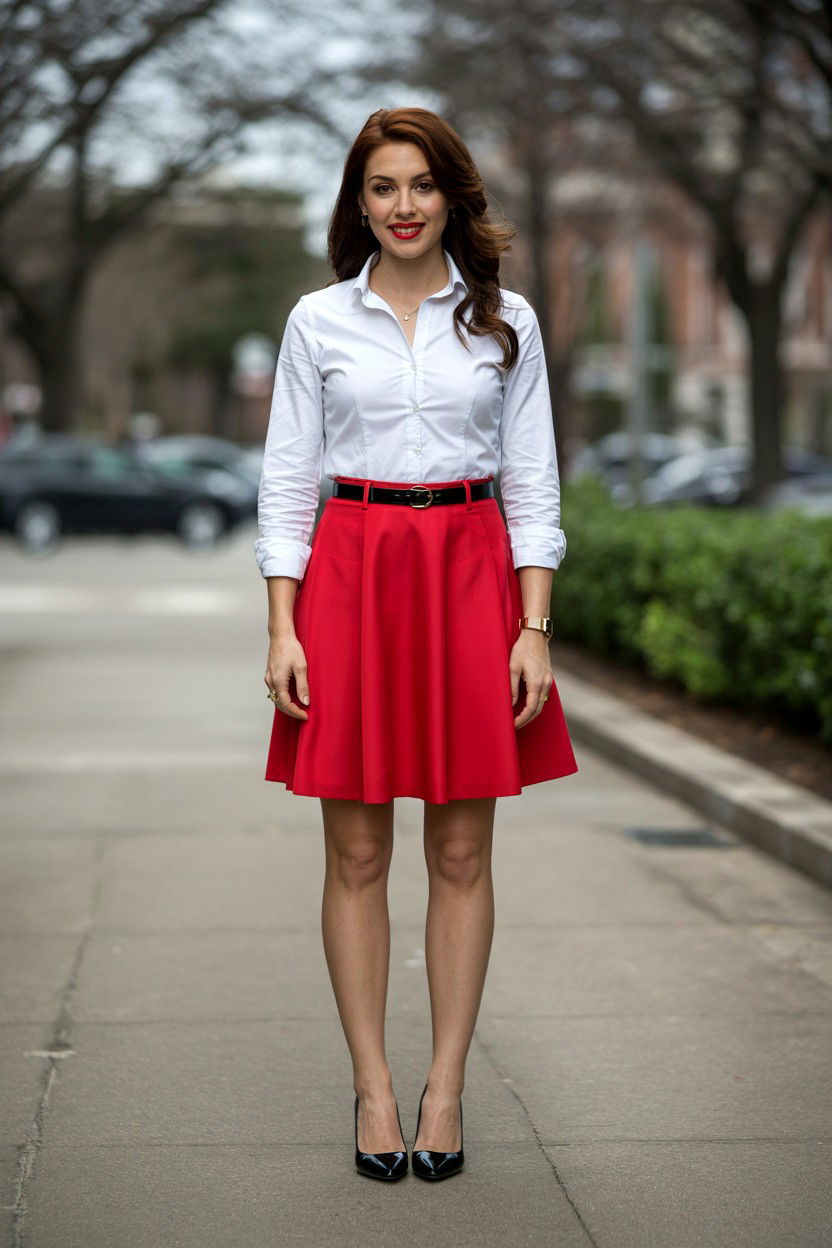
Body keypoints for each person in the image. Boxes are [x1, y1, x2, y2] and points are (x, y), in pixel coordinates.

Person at [256, 106, 579, 1183]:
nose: (403, 206)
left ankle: (444, 1087)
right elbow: (286, 482)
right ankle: (374, 1089)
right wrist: (283, 625)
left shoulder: (506, 321)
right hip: (351, 573)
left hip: (470, 573)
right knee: (355, 854)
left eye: (422, 185)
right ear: (359, 202)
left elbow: (532, 480)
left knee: (460, 853)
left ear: (453, 196)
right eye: (383, 186)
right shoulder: (316, 321)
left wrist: (533, 627)